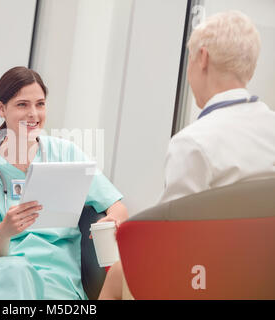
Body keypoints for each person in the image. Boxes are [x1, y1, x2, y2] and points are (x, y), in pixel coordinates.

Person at [99, 10, 275, 300]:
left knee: (120, 270)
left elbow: (171, 240)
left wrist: (128, 236)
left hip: (208, 280)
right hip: (264, 276)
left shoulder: (194, 142)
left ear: (202, 58)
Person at [0, 66, 128, 300]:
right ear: (1, 108)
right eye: (22, 104)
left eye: (40, 104)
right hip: (2, 274)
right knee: (16, 272)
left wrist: (115, 219)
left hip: (57, 278)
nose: (34, 114)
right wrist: (5, 230)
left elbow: (117, 206)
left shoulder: (65, 154)